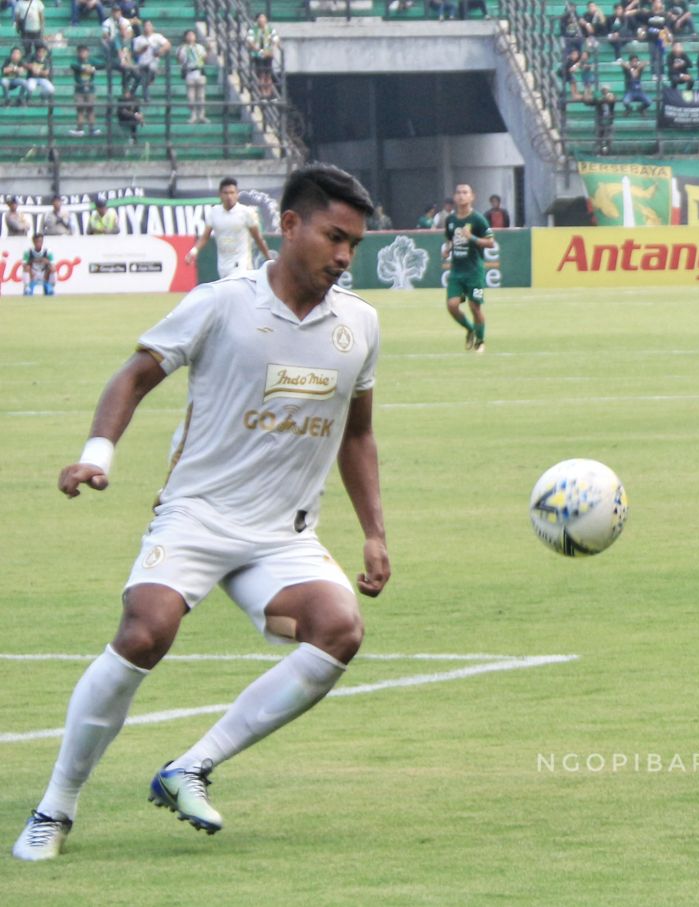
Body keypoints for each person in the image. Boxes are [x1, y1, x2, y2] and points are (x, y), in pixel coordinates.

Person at [10, 164, 389, 863]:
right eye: (335, 237)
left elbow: (358, 433)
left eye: (355, 245)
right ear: (289, 225)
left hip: (282, 537)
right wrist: (99, 453)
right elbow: (135, 374)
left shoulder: (360, 324)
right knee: (145, 631)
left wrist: (373, 533)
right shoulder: (221, 303)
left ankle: (190, 765)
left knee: (338, 628)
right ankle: (54, 806)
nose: (343, 256)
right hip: (198, 516)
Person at [185, 177, 273, 279]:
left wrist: (268, 258)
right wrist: (193, 251)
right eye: (226, 193)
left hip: (242, 264)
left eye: (232, 193)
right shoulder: (214, 213)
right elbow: (205, 237)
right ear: (220, 195)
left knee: (239, 292)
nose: (229, 196)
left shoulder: (246, 212)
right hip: (223, 266)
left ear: (237, 194)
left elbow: (258, 239)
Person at [443, 183, 495, 352]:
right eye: (458, 192)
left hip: (474, 272)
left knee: (475, 306)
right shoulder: (450, 220)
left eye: (465, 192)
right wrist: (448, 249)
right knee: (452, 305)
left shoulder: (478, 219)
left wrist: (471, 237)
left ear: (472, 196)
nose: (461, 195)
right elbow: (451, 239)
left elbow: (490, 242)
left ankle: (480, 341)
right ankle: (470, 329)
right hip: (457, 271)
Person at [178, 29, 208, 124]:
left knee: (201, 96)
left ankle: (202, 115)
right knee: (191, 97)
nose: (191, 37)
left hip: (199, 72)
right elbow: (180, 60)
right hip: (189, 73)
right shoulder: (183, 48)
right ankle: (193, 115)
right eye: (189, 35)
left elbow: (204, 58)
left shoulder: (199, 47)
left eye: (192, 35)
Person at [70, 43, 99, 135]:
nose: (83, 54)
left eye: (84, 52)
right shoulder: (76, 61)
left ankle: (92, 129)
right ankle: (80, 129)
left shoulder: (92, 61)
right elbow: (73, 65)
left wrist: (93, 68)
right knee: (80, 109)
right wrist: (83, 68)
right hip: (79, 88)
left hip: (90, 88)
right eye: (81, 52)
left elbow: (102, 64)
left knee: (90, 109)